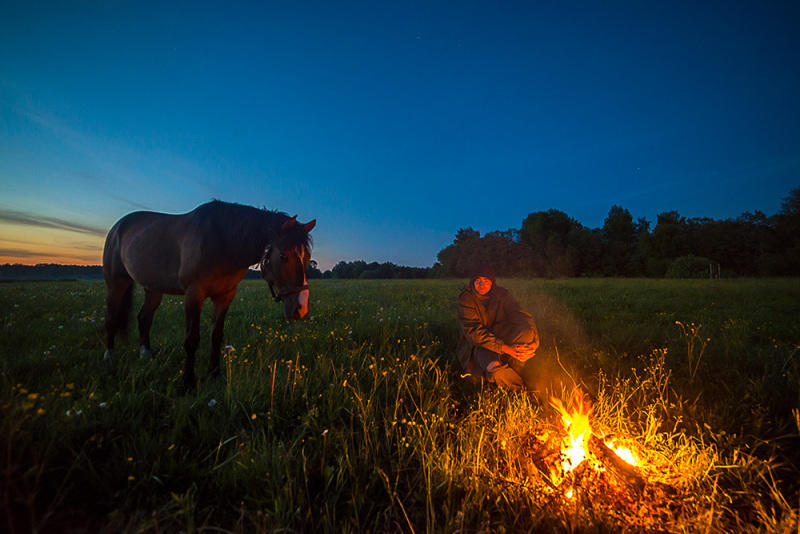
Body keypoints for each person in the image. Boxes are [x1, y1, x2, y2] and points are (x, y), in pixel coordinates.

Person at [457, 265, 539, 390]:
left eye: (486, 281)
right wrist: (507, 349)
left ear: (492, 283)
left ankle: (512, 373)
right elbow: (474, 332)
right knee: (495, 368)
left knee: (527, 332)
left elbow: (520, 316)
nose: (481, 285)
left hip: (502, 335)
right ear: (472, 282)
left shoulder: (502, 295)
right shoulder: (466, 299)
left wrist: (535, 342)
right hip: (479, 346)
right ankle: (524, 390)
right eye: (477, 281)